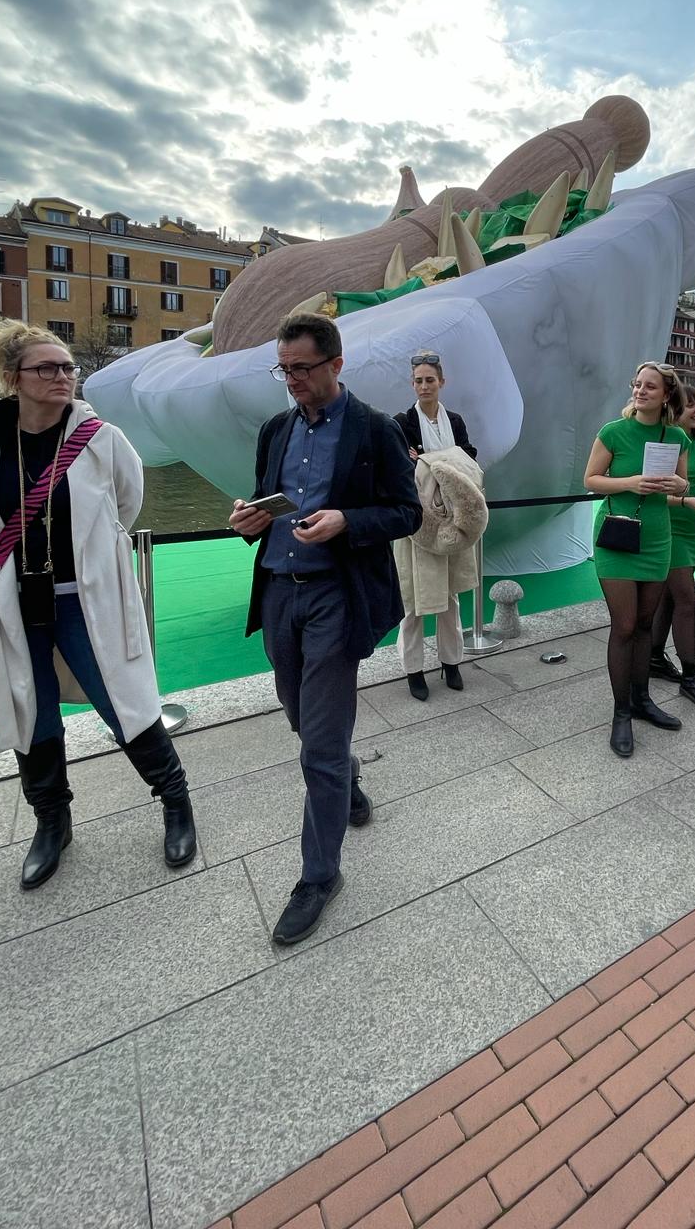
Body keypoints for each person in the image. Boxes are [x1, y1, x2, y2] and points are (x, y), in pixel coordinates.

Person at [0, 319, 196, 889]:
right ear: (11, 378)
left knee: (124, 702)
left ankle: (176, 801)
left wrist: (89, 558)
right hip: (10, 605)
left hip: (86, 598)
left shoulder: (102, 439)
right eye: (46, 368)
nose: (63, 377)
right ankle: (52, 822)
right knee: (32, 713)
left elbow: (127, 505)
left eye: (68, 367)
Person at [230, 312, 421, 944]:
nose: (291, 381)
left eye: (302, 369)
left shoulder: (375, 430)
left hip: (338, 597)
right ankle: (348, 778)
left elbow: (407, 512)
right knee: (299, 715)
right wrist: (250, 518)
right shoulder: (275, 430)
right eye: (283, 369)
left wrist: (347, 521)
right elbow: (268, 497)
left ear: (336, 364)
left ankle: (319, 875)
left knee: (318, 741)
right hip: (281, 592)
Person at [585, 361, 691, 757]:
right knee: (625, 624)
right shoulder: (613, 432)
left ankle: (643, 700)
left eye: (650, 386)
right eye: (637, 384)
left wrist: (681, 484)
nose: (641, 391)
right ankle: (621, 714)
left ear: (665, 394)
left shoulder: (676, 436)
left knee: (646, 623)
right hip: (616, 533)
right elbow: (591, 481)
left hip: (657, 537)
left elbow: (679, 485)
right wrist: (630, 482)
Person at [392, 351, 479, 699]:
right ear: (412, 384)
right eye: (418, 380)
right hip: (416, 523)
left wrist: (430, 460)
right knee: (412, 601)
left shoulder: (454, 421)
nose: (424, 385)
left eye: (430, 379)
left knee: (450, 595)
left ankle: (451, 661)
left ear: (442, 382)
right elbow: (397, 467)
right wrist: (440, 460)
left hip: (451, 521)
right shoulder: (401, 422)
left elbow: (469, 458)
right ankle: (413, 670)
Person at [649, 384, 695, 708]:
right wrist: (685, 501)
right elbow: (650, 493)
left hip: (693, 528)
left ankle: (653, 657)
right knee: (686, 599)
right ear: (674, 409)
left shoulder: (694, 440)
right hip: (668, 528)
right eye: (690, 405)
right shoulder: (664, 443)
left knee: (668, 599)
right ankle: (691, 675)